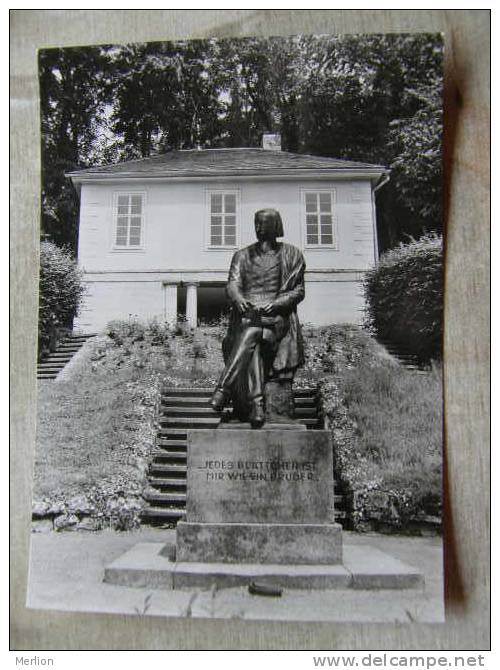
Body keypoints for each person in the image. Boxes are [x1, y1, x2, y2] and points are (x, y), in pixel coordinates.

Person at [209, 208, 306, 428]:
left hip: (276, 320)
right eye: (256, 223)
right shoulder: (242, 255)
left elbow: (298, 291)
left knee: (250, 334)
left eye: (263, 223)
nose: (258, 228)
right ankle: (257, 406)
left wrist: (277, 304)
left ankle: (222, 391)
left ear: (275, 226)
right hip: (248, 316)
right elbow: (232, 284)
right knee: (252, 336)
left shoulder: (292, 254)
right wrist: (238, 299)